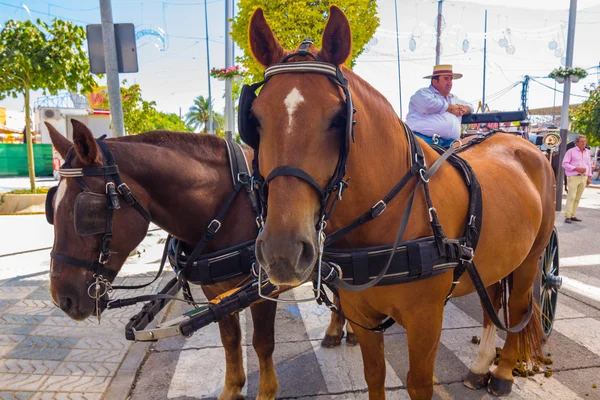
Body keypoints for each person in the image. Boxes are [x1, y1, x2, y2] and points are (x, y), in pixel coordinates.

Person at [406, 64, 473, 147]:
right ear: (434, 81)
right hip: (424, 140)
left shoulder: (454, 98)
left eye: (451, 79)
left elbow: (471, 107)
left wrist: (464, 109)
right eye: (446, 79)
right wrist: (450, 108)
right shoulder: (422, 93)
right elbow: (428, 105)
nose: (449, 83)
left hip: (450, 143)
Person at [562, 135, 593, 223]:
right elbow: (564, 164)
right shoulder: (571, 151)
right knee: (571, 196)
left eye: (585, 141)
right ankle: (567, 216)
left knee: (577, 198)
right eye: (582, 141)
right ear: (576, 143)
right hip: (574, 177)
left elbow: (589, 165)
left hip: (584, 177)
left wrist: (589, 177)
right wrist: (576, 168)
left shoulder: (587, 152)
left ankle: (573, 215)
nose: (584, 143)